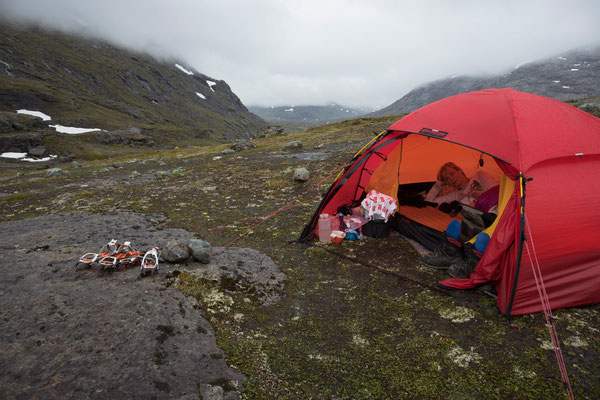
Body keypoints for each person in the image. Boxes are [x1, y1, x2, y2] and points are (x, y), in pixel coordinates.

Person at [424, 162, 498, 208]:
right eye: (447, 179)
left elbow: (498, 192)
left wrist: (479, 199)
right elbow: (429, 201)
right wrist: (438, 184)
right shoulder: (456, 195)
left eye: (452, 174)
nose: (451, 179)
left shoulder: (479, 175)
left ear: (459, 170)